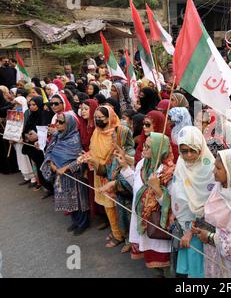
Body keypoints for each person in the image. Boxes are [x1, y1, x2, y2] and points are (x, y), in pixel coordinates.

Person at [192, 149, 231, 278]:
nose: (213, 171)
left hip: (228, 265)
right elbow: (210, 216)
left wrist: (209, 236)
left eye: (218, 168)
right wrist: (200, 225)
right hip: (211, 255)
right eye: (214, 166)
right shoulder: (218, 189)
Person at [123, 132, 175, 275]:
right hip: (143, 222)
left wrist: (157, 189)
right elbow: (136, 187)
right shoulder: (142, 164)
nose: (143, 149)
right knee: (151, 258)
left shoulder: (168, 172)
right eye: (144, 145)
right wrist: (124, 168)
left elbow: (171, 205)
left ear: (159, 150)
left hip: (158, 225)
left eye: (148, 147)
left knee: (165, 262)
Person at [169, 126, 216, 278]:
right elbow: (177, 192)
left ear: (201, 148)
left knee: (199, 271)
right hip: (183, 227)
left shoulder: (210, 169)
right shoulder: (181, 163)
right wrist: (174, 212)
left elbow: (209, 206)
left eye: (193, 150)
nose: (188, 155)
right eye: (184, 151)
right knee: (187, 271)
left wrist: (190, 231)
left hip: (200, 232)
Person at [79, 106, 129, 247]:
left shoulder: (116, 133)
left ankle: (120, 236)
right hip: (98, 172)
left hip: (111, 175)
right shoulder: (97, 131)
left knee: (116, 207)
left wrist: (99, 164)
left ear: (110, 117)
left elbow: (116, 156)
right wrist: (87, 156)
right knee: (108, 207)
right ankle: (116, 232)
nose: (98, 120)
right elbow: (93, 149)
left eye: (101, 117)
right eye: (96, 117)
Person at [41, 113, 90, 235]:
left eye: (61, 122)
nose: (57, 123)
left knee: (78, 200)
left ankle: (83, 223)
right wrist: (51, 163)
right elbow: (49, 151)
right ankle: (75, 221)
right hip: (59, 175)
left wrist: (66, 168)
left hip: (74, 176)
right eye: (57, 121)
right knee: (68, 199)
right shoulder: (58, 136)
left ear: (69, 124)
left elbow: (81, 159)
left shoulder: (76, 139)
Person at [12, 96, 36, 186]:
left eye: (18, 104)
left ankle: (33, 177)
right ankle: (26, 176)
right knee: (20, 158)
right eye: (15, 104)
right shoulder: (15, 113)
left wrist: (23, 136)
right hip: (16, 140)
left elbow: (27, 127)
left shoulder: (27, 113)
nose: (16, 106)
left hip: (23, 139)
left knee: (26, 159)